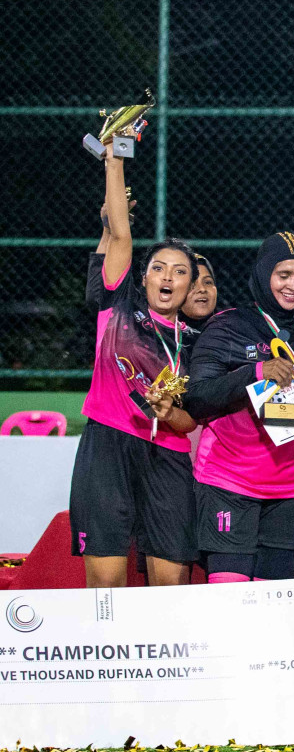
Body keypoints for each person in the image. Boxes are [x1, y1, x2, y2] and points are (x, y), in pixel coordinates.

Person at [72, 148, 199, 588]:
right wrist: (114, 158)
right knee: (106, 583)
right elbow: (121, 238)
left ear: (190, 286)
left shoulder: (196, 345)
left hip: (168, 456)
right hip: (107, 446)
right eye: (158, 267)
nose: (167, 276)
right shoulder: (118, 307)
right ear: (142, 277)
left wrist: (169, 414)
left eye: (180, 271)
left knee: (171, 585)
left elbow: (189, 421)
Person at [183, 233, 294, 583]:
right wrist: (255, 373)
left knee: (274, 609)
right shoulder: (227, 327)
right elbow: (197, 398)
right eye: (284, 275)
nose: (293, 285)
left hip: (293, 488)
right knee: (229, 601)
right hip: (231, 483)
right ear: (265, 274)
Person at [183, 254, 221, 330]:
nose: (202, 289)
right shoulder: (157, 334)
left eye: (208, 282)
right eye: (192, 284)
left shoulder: (231, 329)